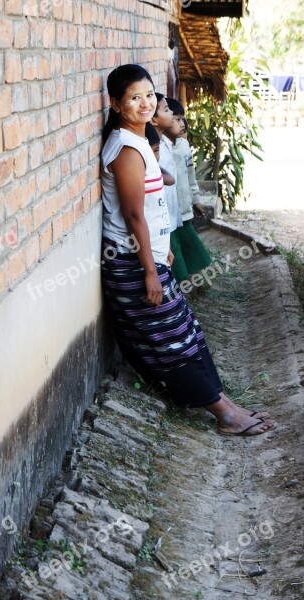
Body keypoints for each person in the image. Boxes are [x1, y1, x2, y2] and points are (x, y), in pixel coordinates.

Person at [101, 64, 274, 436]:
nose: (144, 104)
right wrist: (149, 270)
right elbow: (132, 216)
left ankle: (226, 404)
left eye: (149, 95)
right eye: (134, 98)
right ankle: (224, 415)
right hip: (130, 264)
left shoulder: (139, 142)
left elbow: (149, 209)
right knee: (171, 342)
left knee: (188, 332)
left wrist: (161, 250)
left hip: (146, 257)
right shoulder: (127, 150)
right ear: (116, 104)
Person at [164, 98, 212, 284]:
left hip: (184, 208)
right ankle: (180, 286)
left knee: (189, 248)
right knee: (174, 250)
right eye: (175, 119)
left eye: (182, 118)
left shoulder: (183, 145)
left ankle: (192, 284)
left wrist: (196, 200)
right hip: (169, 212)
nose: (182, 123)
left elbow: (190, 175)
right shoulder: (161, 149)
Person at [150, 92, 183, 236]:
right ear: (153, 120)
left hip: (169, 217)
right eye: (166, 110)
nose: (171, 113)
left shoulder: (164, 142)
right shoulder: (151, 146)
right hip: (158, 221)